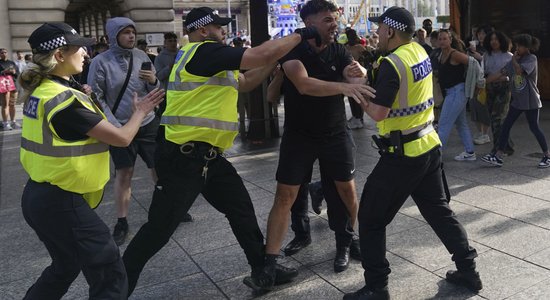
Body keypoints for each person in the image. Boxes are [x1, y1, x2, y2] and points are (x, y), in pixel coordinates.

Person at [121, 6, 321, 296]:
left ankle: (263, 270)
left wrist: (277, 59)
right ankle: (114, 288)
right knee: (158, 230)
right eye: (219, 26)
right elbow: (260, 55)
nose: (224, 30)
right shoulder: (203, 52)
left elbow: (246, 82)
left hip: (209, 158)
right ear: (203, 30)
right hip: (182, 159)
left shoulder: (210, 60)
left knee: (241, 209)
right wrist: (299, 35)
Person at [19, 22, 164, 299]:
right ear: (59, 55)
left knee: (65, 266)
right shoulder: (64, 101)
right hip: (61, 202)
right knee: (109, 270)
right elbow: (121, 138)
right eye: (78, 48)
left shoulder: (44, 91)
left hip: (40, 197)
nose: (86, 53)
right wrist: (141, 110)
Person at [344, 7, 482, 299]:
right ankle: (469, 272)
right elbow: (402, 89)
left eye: (380, 27)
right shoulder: (418, 52)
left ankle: (376, 287)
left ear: (391, 31)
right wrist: (371, 77)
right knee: (439, 213)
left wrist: (355, 90)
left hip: (402, 155)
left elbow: (380, 113)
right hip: (428, 146)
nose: (377, 33)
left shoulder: (392, 63)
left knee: (370, 219)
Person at [259, 0, 375, 290]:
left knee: (347, 189)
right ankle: (269, 263)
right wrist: (345, 87)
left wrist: (357, 72)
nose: (334, 24)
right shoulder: (292, 50)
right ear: (309, 23)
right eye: (327, 20)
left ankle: (348, 241)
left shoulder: (338, 50)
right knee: (285, 195)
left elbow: (354, 73)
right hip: (299, 135)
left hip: (335, 132)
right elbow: (304, 84)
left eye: (334, 19)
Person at [87, 17, 163, 246]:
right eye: (125, 32)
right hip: (119, 126)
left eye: (133, 32)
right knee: (124, 172)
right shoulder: (99, 62)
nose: (131, 36)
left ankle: (164, 210)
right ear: (114, 35)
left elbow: (154, 90)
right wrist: (113, 125)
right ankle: (122, 221)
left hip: (148, 122)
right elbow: (96, 96)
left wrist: (154, 80)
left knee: (157, 166)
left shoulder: (142, 56)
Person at [481, 34, 550, 168]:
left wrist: (513, 60)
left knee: (534, 128)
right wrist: (483, 83)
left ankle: (547, 155)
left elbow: (519, 71)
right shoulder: (516, 59)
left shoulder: (531, 59)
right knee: (505, 126)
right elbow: (500, 73)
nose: (518, 48)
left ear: (528, 47)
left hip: (531, 101)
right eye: (517, 45)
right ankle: (499, 155)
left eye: (520, 46)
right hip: (518, 101)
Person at [436, 29, 477, 161]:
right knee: (461, 124)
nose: (442, 41)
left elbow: (473, 63)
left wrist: (474, 82)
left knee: (443, 124)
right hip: (452, 93)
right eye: (440, 39)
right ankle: (470, 152)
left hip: (456, 92)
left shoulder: (455, 54)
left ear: (450, 40)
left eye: (444, 39)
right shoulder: (441, 54)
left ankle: (436, 155)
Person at [481, 31, 514, 156]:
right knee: (495, 119)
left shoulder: (509, 56)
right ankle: (508, 146)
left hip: (504, 89)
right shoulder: (486, 56)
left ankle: (497, 149)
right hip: (489, 89)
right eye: (491, 39)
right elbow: (483, 73)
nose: (494, 42)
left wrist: (496, 78)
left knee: (497, 118)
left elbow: (511, 76)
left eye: (496, 39)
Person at [345, 28, 368, 129]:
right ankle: (355, 116)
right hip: (350, 76)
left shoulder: (359, 47)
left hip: (358, 76)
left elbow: (368, 58)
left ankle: (359, 118)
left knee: (358, 97)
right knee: (351, 97)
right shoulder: (345, 47)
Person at [0, 48, 20, 130]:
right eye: (2, 53)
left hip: (13, 85)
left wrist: (14, 72)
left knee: (13, 104)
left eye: (5, 52)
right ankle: (5, 123)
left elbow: (18, 74)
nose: (4, 54)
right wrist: (4, 71)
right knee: (5, 105)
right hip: (4, 85)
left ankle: (13, 121)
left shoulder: (12, 62)